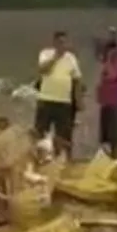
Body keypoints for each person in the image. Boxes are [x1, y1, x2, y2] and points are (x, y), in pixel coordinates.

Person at [35, 30, 82, 158]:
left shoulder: (71, 58)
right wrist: (55, 57)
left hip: (64, 101)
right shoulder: (45, 53)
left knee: (64, 134)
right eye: (59, 42)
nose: (62, 45)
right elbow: (42, 70)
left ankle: (63, 159)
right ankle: (39, 157)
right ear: (54, 42)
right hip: (46, 99)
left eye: (64, 42)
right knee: (40, 131)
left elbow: (77, 80)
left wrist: (78, 100)